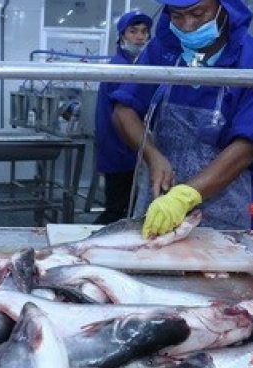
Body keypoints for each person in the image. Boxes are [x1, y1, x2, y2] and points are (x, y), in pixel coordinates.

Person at [110, 0, 253, 235]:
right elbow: (123, 111)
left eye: (198, 14)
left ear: (225, 9)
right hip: (158, 200)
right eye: (177, 16)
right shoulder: (163, 51)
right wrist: (152, 156)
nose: (187, 26)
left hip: (222, 211)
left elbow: (249, 145)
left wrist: (185, 196)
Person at [93, 9, 153, 225]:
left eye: (144, 31)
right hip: (120, 149)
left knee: (125, 207)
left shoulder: (137, 65)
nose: (140, 36)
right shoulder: (122, 68)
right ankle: (90, 239)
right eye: (133, 31)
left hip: (128, 150)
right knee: (117, 211)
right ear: (122, 36)